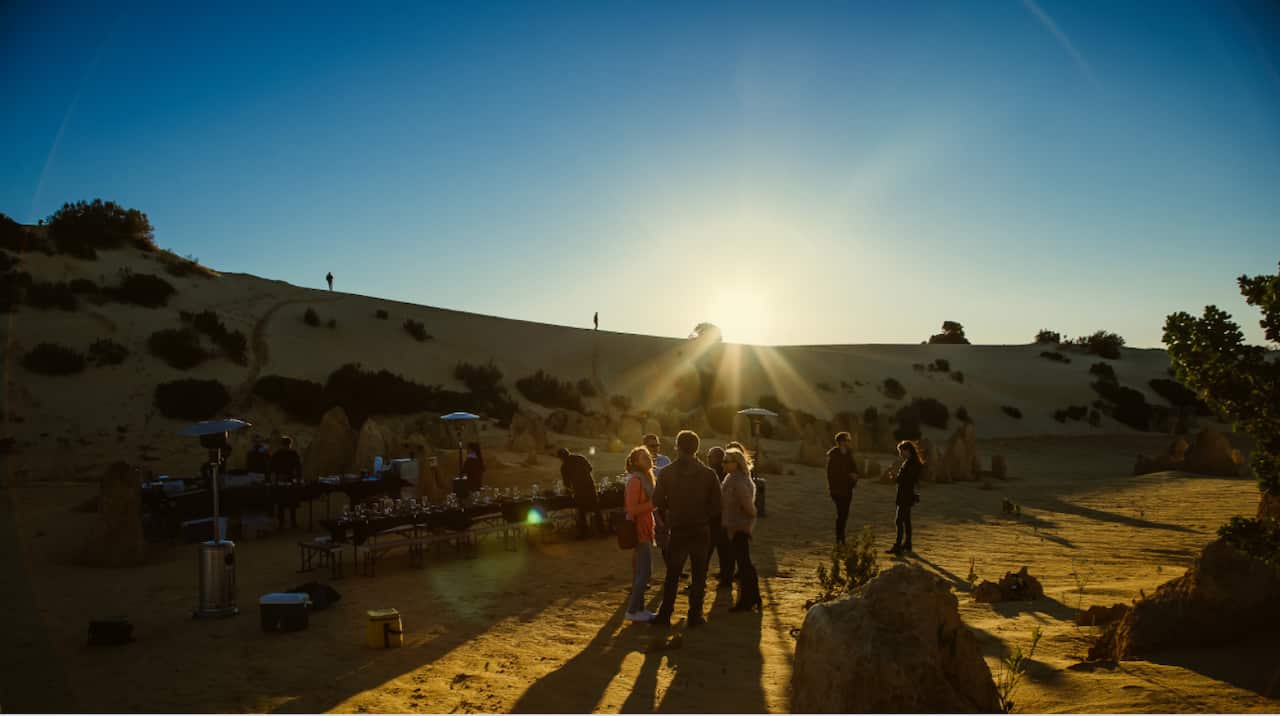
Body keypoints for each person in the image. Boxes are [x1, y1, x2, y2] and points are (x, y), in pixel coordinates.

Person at [650, 430, 722, 628]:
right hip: (700, 529)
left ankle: (665, 615)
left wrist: (673, 508)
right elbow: (717, 505)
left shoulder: (667, 472)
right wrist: (703, 514)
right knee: (699, 574)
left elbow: (657, 500)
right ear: (697, 449)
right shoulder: (708, 474)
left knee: (672, 574)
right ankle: (695, 615)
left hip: (679, 528)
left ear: (677, 447)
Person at [721, 447, 761, 611]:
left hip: (739, 526)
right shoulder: (733, 478)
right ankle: (754, 596)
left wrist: (747, 520)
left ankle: (747, 600)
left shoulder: (738, 481)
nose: (723, 464)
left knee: (744, 564)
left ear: (736, 463)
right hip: (736, 525)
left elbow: (749, 507)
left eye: (726, 461)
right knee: (744, 563)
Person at [623, 446, 658, 622]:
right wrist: (653, 504)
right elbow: (631, 509)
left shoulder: (646, 478)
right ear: (636, 462)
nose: (649, 459)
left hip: (645, 527)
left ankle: (640, 609)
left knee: (642, 571)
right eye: (644, 457)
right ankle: (632, 610)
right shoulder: (636, 481)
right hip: (638, 530)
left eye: (648, 456)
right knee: (645, 572)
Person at [558, 447, 604, 539]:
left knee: (582, 512)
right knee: (596, 509)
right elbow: (590, 469)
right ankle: (602, 531)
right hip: (590, 487)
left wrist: (569, 489)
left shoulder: (564, 467)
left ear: (560, 458)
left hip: (579, 490)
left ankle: (584, 534)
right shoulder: (580, 458)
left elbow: (567, 483)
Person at [704, 446, 734, 589]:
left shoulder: (710, 474)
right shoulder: (728, 475)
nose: (708, 459)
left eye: (710, 457)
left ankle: (700, 580)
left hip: (713, 519)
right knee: (725, 553)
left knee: (705, 553)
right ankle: (726, 580)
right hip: (725, 519)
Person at [825, 431, 860, 545]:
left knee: (844, 515)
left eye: (848, 440)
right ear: (840, 441)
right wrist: (848, 475)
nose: (848, 442)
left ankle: (841, 538)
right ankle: (840, 538)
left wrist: (855, 476)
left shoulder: (849, 454)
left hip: (848, 489)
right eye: (846, 440)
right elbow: (831, 474)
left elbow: (854, 468)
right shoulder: (834, 455)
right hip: (837, 490)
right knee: (841, 514)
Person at [888, 440, 923, 554]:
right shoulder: (910, 462)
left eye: (901, 451)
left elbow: (907, 480)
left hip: (906, 495)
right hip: (905, 494)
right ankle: (907, 544)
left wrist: (896, 478)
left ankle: (898, 545)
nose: (901, 454)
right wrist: (897, 478)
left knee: (899, 521)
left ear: (907, 450)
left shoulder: (912, 464)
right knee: (906, 521)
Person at [268, 435, 303, 528]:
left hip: (283, 479)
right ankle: (290, 522)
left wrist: (274, 479)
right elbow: (298, 468)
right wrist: (298, 479)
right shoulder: (291, 454)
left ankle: (284, 523)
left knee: (284, 502)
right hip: (287, 479)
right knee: (288, 502)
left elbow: (271, 468)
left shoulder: (278, 454)